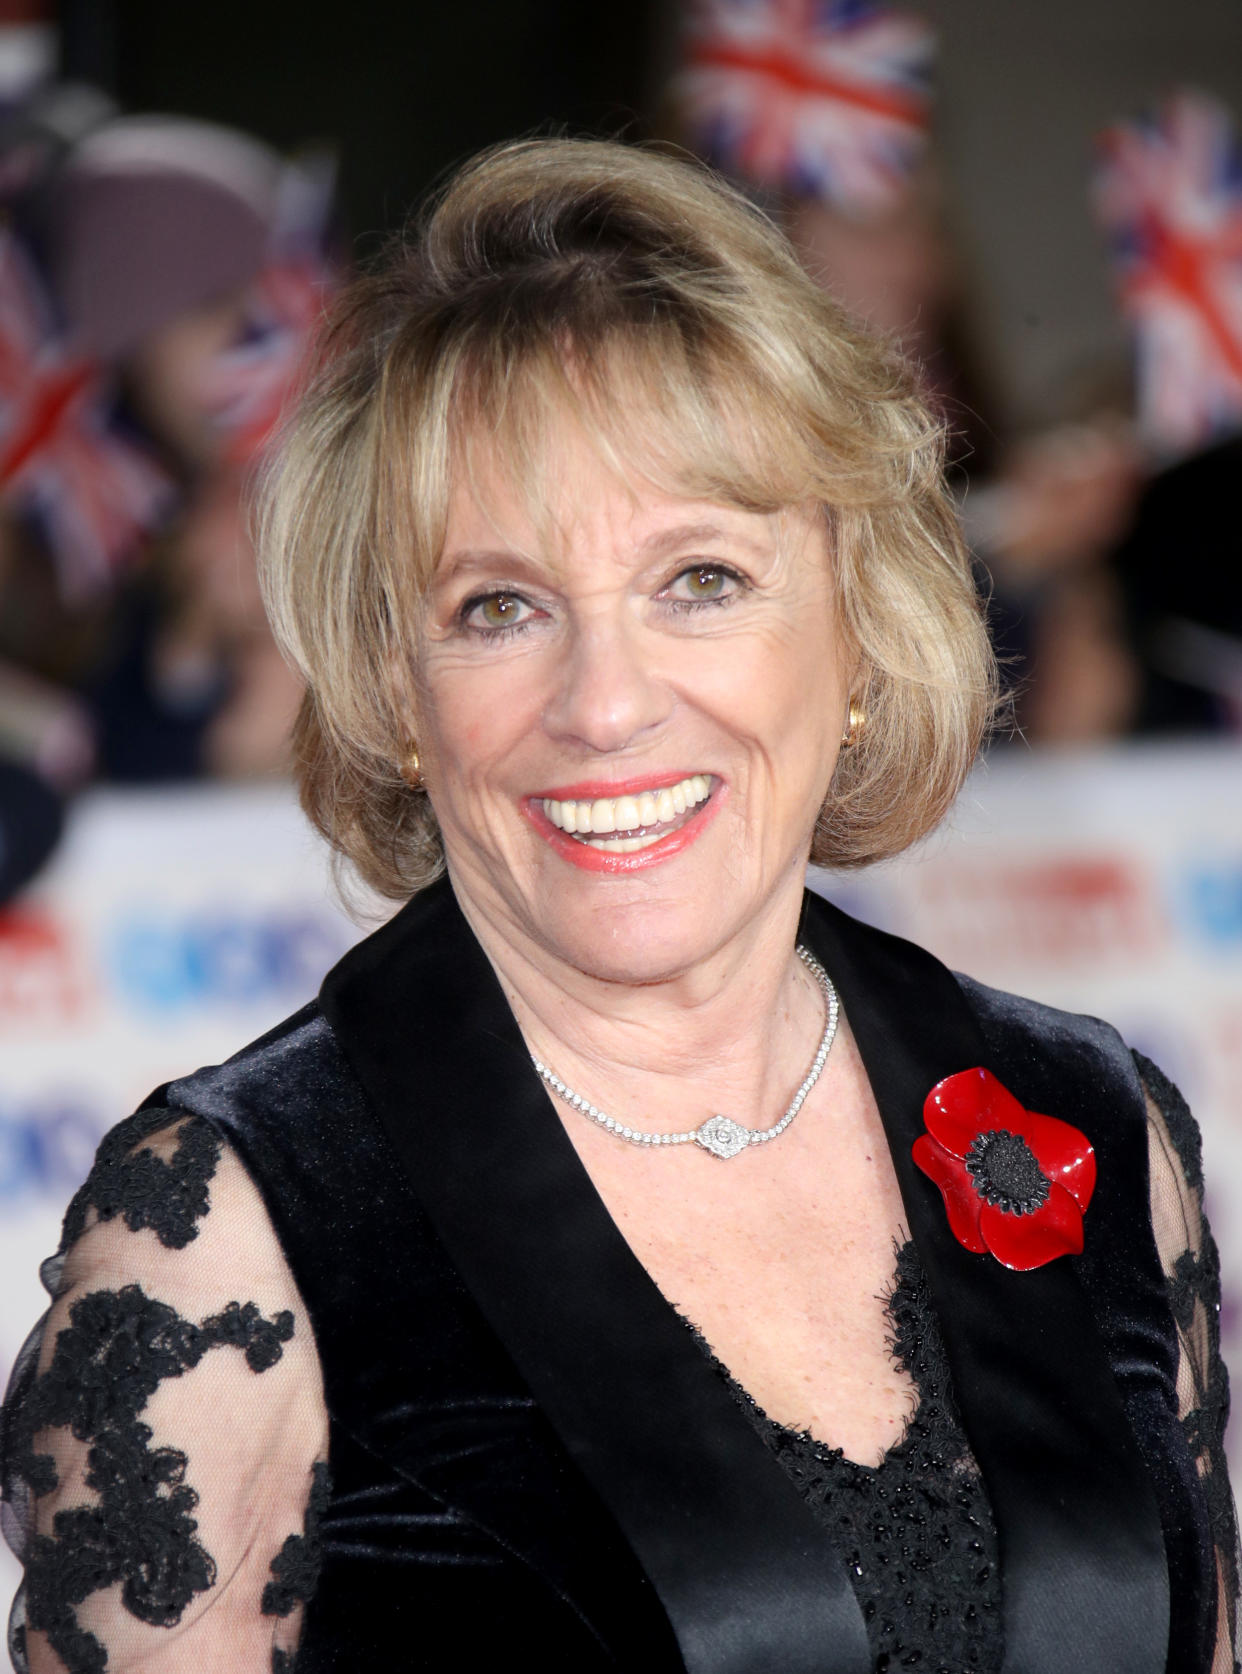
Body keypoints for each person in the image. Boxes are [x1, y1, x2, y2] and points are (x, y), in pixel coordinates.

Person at [0, 137, 1235, 1674]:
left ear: (853, 623)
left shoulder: (1093, 1125)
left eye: (699, 578)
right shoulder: (227, 1239)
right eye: (498, 606)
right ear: (398, 686)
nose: (601, 703)